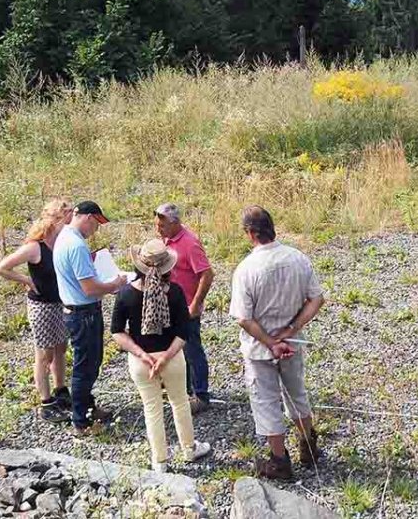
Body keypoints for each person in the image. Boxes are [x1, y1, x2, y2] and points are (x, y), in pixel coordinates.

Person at [229, 206, 326, 481]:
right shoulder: (298, 258)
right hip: (291, 342)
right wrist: (291, 329)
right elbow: (316, 299)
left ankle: (279, 461)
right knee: (297, 394)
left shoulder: (246, 269)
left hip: (260, 349)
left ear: (250, 233)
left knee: (266, 402)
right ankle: (308, 447)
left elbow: (244, 318)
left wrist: (271, 342)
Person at [110, 238, 212, 472]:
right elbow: (183, 332)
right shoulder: (174, 292)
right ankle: (189, 449)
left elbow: (117, 331)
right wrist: (165, 357)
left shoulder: (125, 294)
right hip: (172, 358)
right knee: (180, 403)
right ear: (167, 267)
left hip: (141, 362)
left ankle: (160, 461)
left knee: (152, 408)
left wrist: (142, 354)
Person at [0, 198, 74, 422]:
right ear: (57, 220)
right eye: (67, 217)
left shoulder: (61, 243)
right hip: (42, 307)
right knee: (44, 355)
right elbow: (1, 268)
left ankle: (60, 390)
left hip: (59, 303)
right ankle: (46, 403)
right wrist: (26, 280)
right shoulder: (34, 247)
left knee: (60, 349)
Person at [53, 200, 128, 435]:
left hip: (77, 311)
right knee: (85, 367)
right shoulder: (76, 246)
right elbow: (89, 288)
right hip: (83, 313)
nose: (96, 230)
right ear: (88, 218)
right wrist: (115, 284)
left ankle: (87, 407)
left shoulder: (64, 238)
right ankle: (81, 422)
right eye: (96, 224)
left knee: (89, 363)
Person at [154, 202, 215, 413]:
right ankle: (183, 390)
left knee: (192, 350)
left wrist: (196, 304)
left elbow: (207, 274)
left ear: (175, 223)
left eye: (162, 226)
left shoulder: (190, 244)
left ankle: (201, 395)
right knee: (176, 350)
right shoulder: (167, 239)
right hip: (171, 306)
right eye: (157, 225)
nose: (158, 230)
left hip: (187, 308)